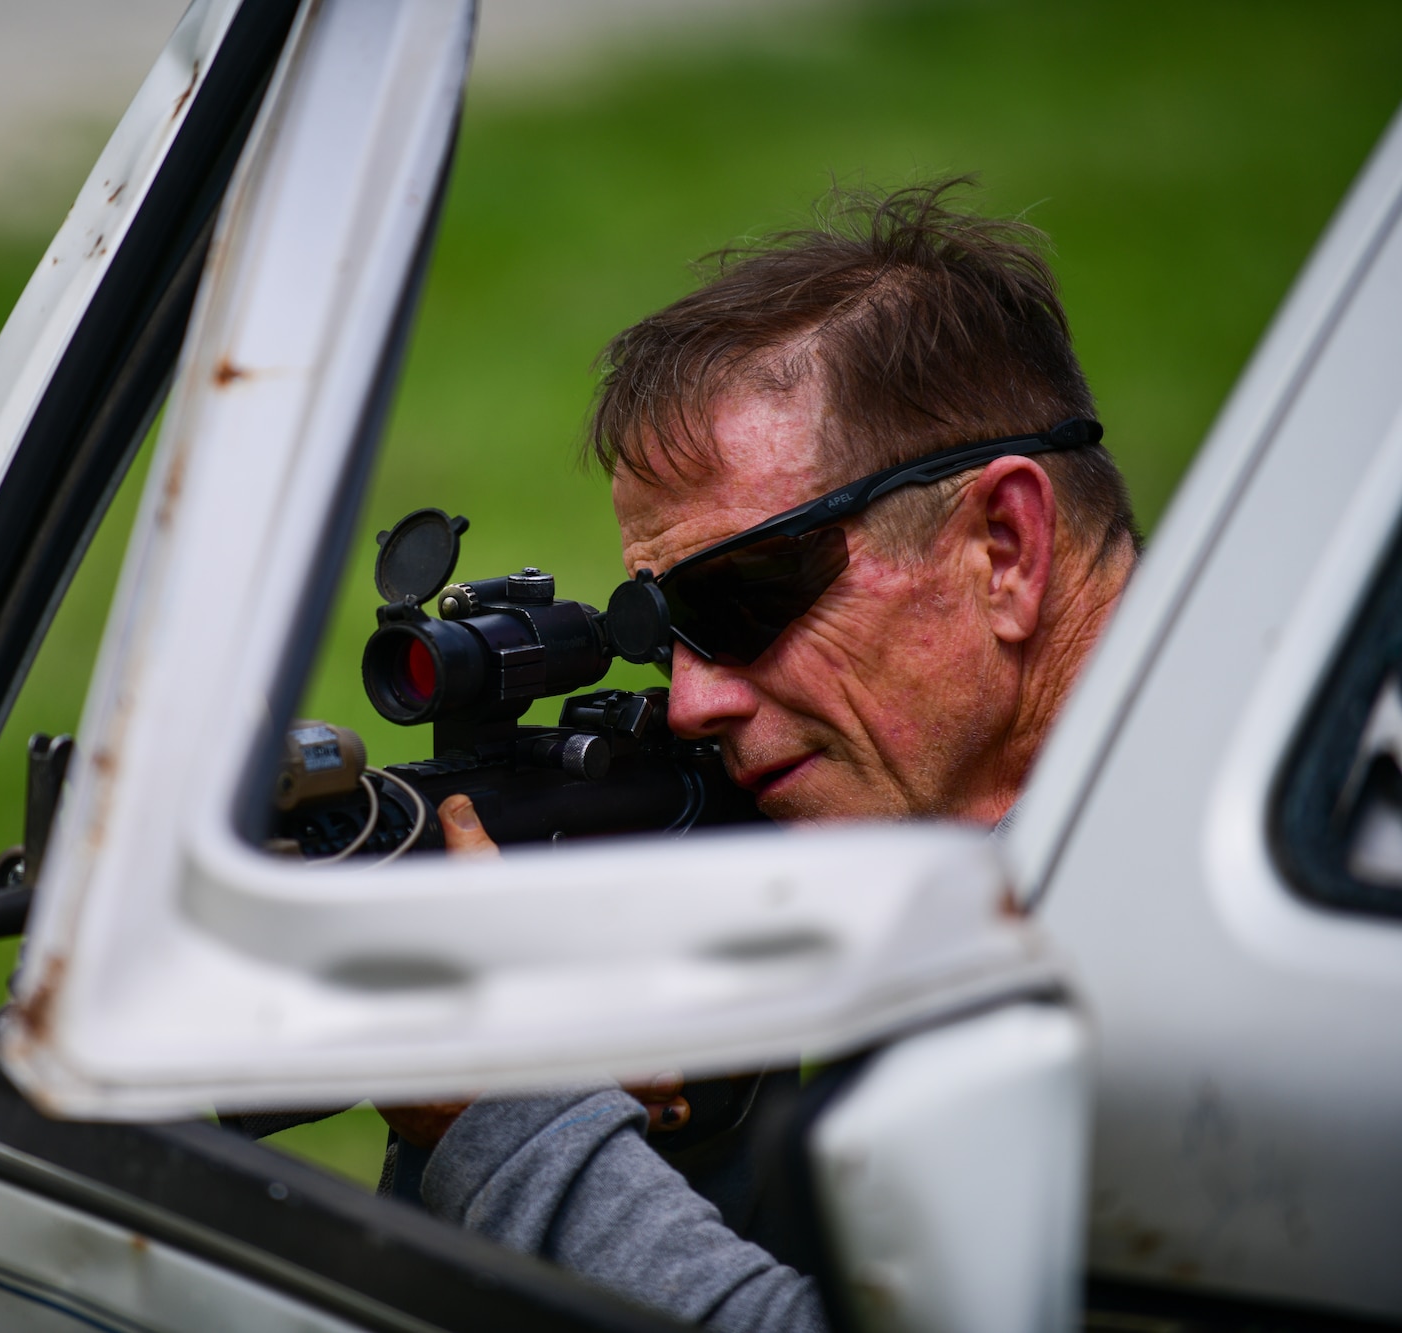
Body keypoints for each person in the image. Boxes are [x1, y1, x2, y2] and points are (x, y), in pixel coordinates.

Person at [381, 179, 1140, 1330]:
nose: (689, 701)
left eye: (740, 598)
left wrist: (516, 1120)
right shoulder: (1164, 795)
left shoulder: (1199, 930)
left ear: (1003, 546)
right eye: (661, 629)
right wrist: (688, 1117)